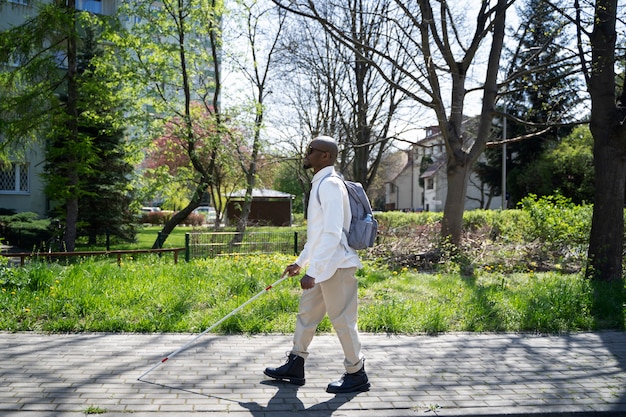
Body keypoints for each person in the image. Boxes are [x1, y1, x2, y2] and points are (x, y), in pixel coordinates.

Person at [264, 135, 370, 394]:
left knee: (343, 321)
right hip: (323, 267)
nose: (307, 154)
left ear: (326, 156)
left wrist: (312, 272)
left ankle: (356, 374)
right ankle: (295, 365)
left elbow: (333, 234)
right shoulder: (320, 184)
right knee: (307, 315)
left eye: (312, 150)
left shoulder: (331, 185)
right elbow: (318, 235)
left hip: (338, 266)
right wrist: (300, 263)